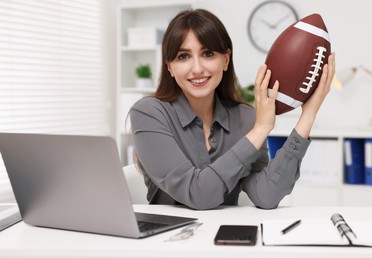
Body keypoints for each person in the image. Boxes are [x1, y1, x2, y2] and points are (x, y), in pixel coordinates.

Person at [130, 9, 335, 210]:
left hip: (225, 239)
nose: (197, 68)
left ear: (226, 60)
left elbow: (266, 196)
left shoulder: (245, 118)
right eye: (183, 56)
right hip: (165, 242)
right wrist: (260, 129)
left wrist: (308, 115)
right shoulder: (149, 114)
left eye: (208, 53)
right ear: (169, 67)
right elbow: (198, 194)